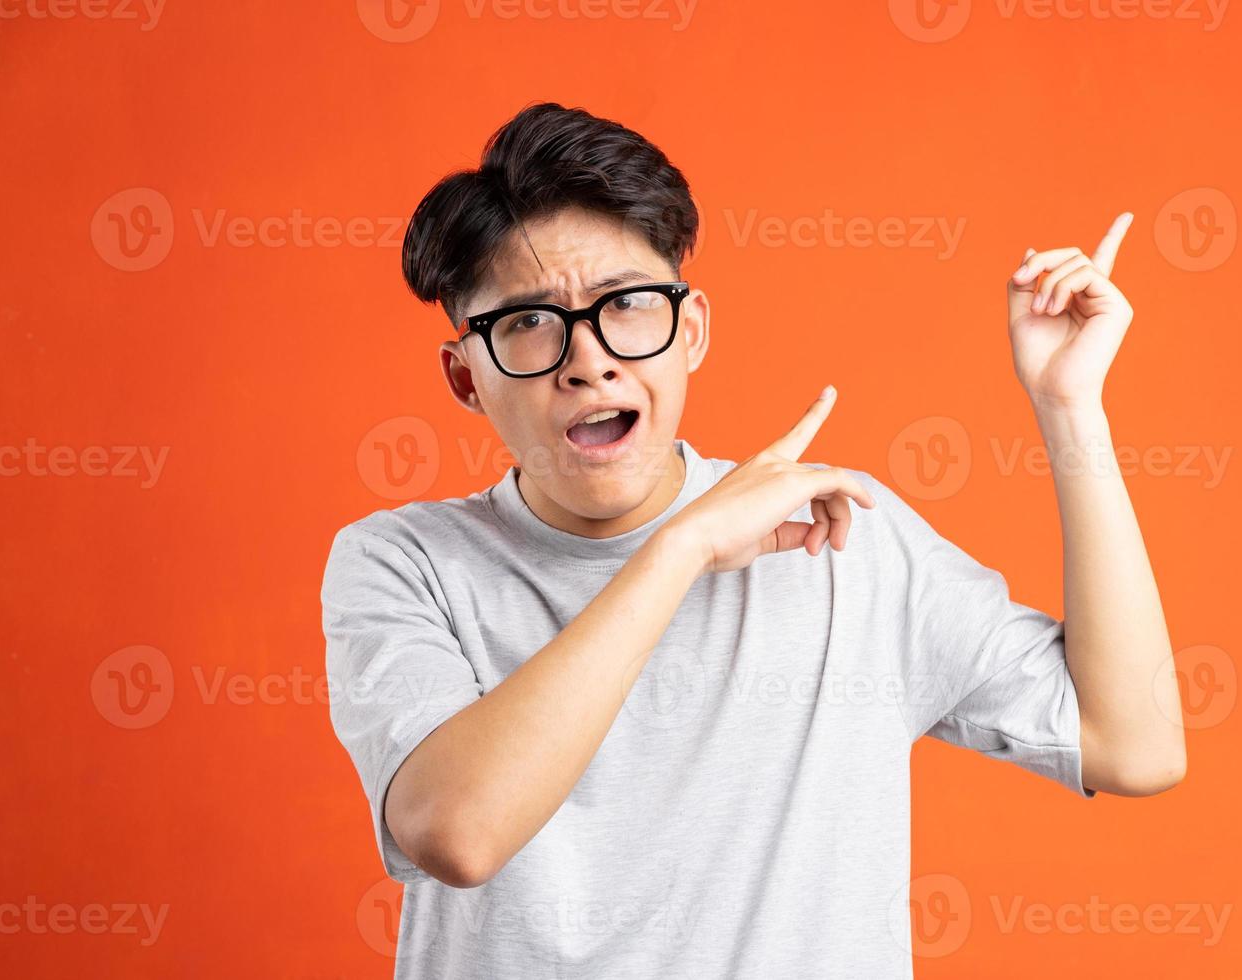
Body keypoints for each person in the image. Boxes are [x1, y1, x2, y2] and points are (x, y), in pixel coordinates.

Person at [321, 101, 1186, 978]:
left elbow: (1135, 746)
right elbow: (457, 834)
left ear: (690, 330)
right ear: (466, 376)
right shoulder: (404, 562)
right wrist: (681, 549)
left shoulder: (846, 540)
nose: (587, 359)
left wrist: (1071, 409)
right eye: (529, 322)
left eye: (625, 305)